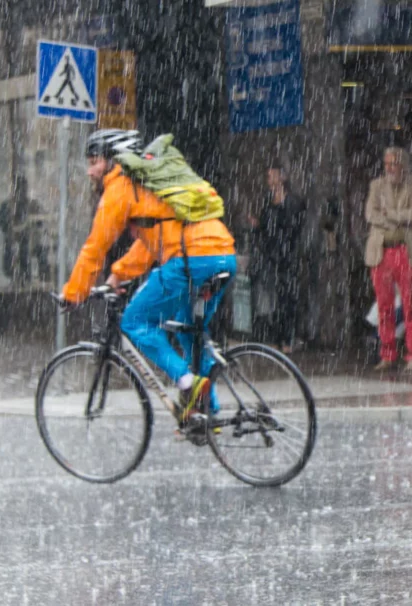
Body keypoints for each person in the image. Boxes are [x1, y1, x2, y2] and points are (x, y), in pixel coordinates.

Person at [58, 129, 237, 426]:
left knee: (134, 322)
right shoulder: (150, 183)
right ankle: (206, 413)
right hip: (222, 255)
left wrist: (74, 293)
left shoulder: (121, 187)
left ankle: (187, 384)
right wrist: (117, 276)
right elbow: (149, 243)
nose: (90, 171)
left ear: (113, 161)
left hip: (189, 261)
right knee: (189, 331)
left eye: (94, 161)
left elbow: (95, 246)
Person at [364, 147, 412, 372]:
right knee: (384, 306)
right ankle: (387, 353)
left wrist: (389, 216)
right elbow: (370, 214)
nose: (390, 168)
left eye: (394, 163)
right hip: (382, 251)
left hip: (406, 250)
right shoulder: (376, 186)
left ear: (404, 165)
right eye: (387, 164)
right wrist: (398, 219)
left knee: (410, 304)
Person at [248, 163, 307, 354]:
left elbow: (294, 227)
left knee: (287, 298)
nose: (270, 180)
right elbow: (266, 227)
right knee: (272, 299)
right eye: (268, 177)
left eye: (273, 176)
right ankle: (275, 338)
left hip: (288, 255)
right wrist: (257, 225)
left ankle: (287, 338)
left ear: (282, 178)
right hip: (271, 254)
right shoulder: (267, 200)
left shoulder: (294, 201)